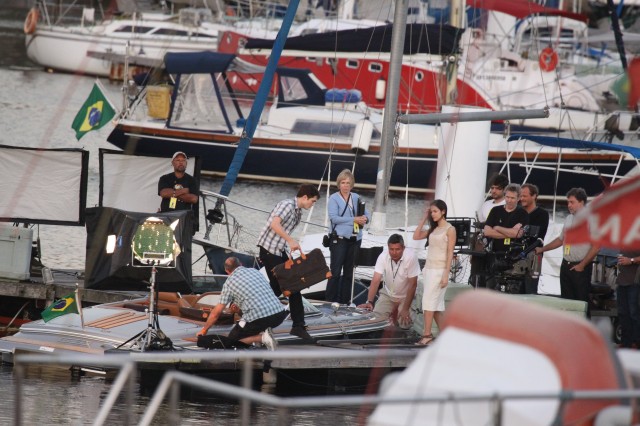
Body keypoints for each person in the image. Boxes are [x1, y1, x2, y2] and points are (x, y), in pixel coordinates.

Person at [257, 184, 320, 341]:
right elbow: (274, 224)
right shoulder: (287, 205)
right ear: (304, 197)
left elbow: (282, 234)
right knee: (292, 285)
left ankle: (256, 313)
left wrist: (289, 248)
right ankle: (297, 326)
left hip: (279, 250)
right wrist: (290, 240)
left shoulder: (298, 212)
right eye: (313, 201)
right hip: (268, 250)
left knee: (282, 287)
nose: (313, 205)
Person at [196, 257, 287, 350]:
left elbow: (216, 312)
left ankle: (262, 338)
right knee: (250, 326)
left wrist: (204, 330)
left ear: (227, 271)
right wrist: (239, 310)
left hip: (260, 319)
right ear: (241, 264)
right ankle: (260, 345)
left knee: (231, 341)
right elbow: (255, 297)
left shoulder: (229, 283)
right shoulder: (255, 271)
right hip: (279, 314)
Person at [535, 188, 600, 309]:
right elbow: (560, 240)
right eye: (568, 202)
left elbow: (596, 246)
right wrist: (542, 249)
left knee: (581, 303)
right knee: (566, 302)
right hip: (566, 265)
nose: (569, 205)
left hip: (580, 267)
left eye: (572, 202)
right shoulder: (569, 218)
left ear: (581, 202)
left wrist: (582, 265)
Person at [412, 200, 456, 346]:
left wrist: (446, 274)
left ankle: (427, 335)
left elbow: (450, 253)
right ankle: (446, 337)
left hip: (439, 271)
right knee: (435, 307)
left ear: (443, 211)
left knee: (429, 304)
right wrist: (424, 217)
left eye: (435, 211)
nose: (433, 214)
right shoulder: (433, 229)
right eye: (431, 211)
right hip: (429, 269)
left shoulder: (450, 229)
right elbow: (416, 236)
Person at [358, 234, 421, 329]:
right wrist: (369, 301)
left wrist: (405, 309)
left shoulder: (411, 257)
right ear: (388, 248)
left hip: (405, 297)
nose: (394, 252)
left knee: (405, 323)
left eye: (397, 249)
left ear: (403, 248)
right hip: (388, 294)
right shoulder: (383, 256)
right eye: (391, 249)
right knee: (376, 320)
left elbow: (413, 284)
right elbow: (376, 280)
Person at [325, 169, 370, 304]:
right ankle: (330, 301)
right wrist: (354, 220)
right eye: (343, 183)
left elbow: (367, 214)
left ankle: (344, 302)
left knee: (349, 273)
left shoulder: (356, 197)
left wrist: (365, 219)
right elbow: (334, 218)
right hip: (339, 239)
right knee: (335, 272)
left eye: (348, 183)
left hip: (355, 239)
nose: (345, 185)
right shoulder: (333, 198)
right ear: (339, 184)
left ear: (352, 184)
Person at [483, 183, 529, 253]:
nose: (509, 200)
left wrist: (497, 228)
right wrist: (510, 233)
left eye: (512, 198)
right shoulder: (495, 210)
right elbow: (487, 232)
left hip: (514, 254)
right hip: (495, 253)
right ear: (504, 196)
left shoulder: (523, 213)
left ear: (519, 198)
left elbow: (518, 234)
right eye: (507, 197)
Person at [616, 250, 640, 349]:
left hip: (635, 281)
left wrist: (631, 260)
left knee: (634, 313)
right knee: (623, 313)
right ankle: (626, 342)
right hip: (622, 279)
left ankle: (636, 342)